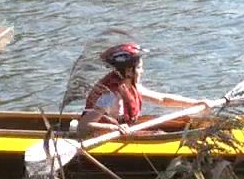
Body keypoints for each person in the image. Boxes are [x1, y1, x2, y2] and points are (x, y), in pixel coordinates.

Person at [77, 43, 214, 136]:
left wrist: (196, 103)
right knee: (160, 135)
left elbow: (163, 100)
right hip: (100, 138)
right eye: (140, 67)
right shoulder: (109, 94)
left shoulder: (127, 85)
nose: (142, 71)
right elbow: (83, 126)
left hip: (121, 131)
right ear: (129, 70)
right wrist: (115, 128)